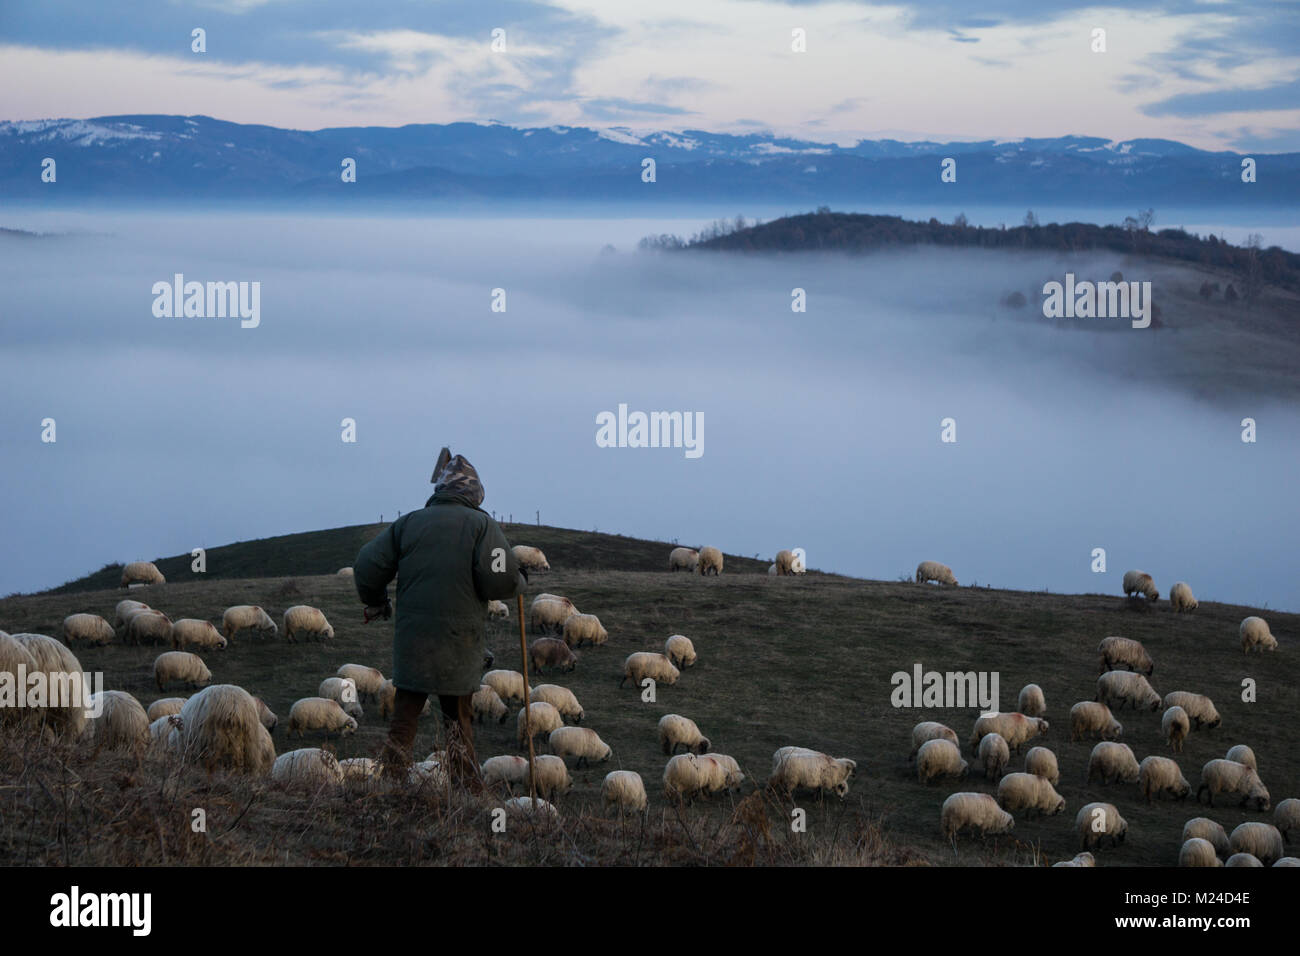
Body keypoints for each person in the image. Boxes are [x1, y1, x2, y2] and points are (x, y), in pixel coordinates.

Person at [353, 448, 522, 787]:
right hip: (460, 643)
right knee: (458, 722)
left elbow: (366, 566)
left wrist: (377, 601)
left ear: (441, 490)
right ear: (474, 493)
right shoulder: (481, 525)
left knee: (403, 721)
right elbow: (500, 579)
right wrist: (518, 580)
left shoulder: (408, 523)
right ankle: (465, 795)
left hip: (414, 642)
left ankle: (391, 788)